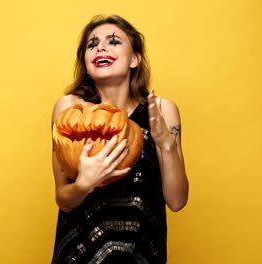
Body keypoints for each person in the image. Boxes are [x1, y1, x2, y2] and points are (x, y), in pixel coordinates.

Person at [51, 14, 189, 263]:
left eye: (113, 41)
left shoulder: (161, 111)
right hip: (80, 254)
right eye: (92, 44)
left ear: (135, 59)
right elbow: (63, 198)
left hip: (142, 254)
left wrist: (166, 145)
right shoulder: (70, 110)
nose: (100, 47)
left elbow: (177, 201)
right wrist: (84, 184)